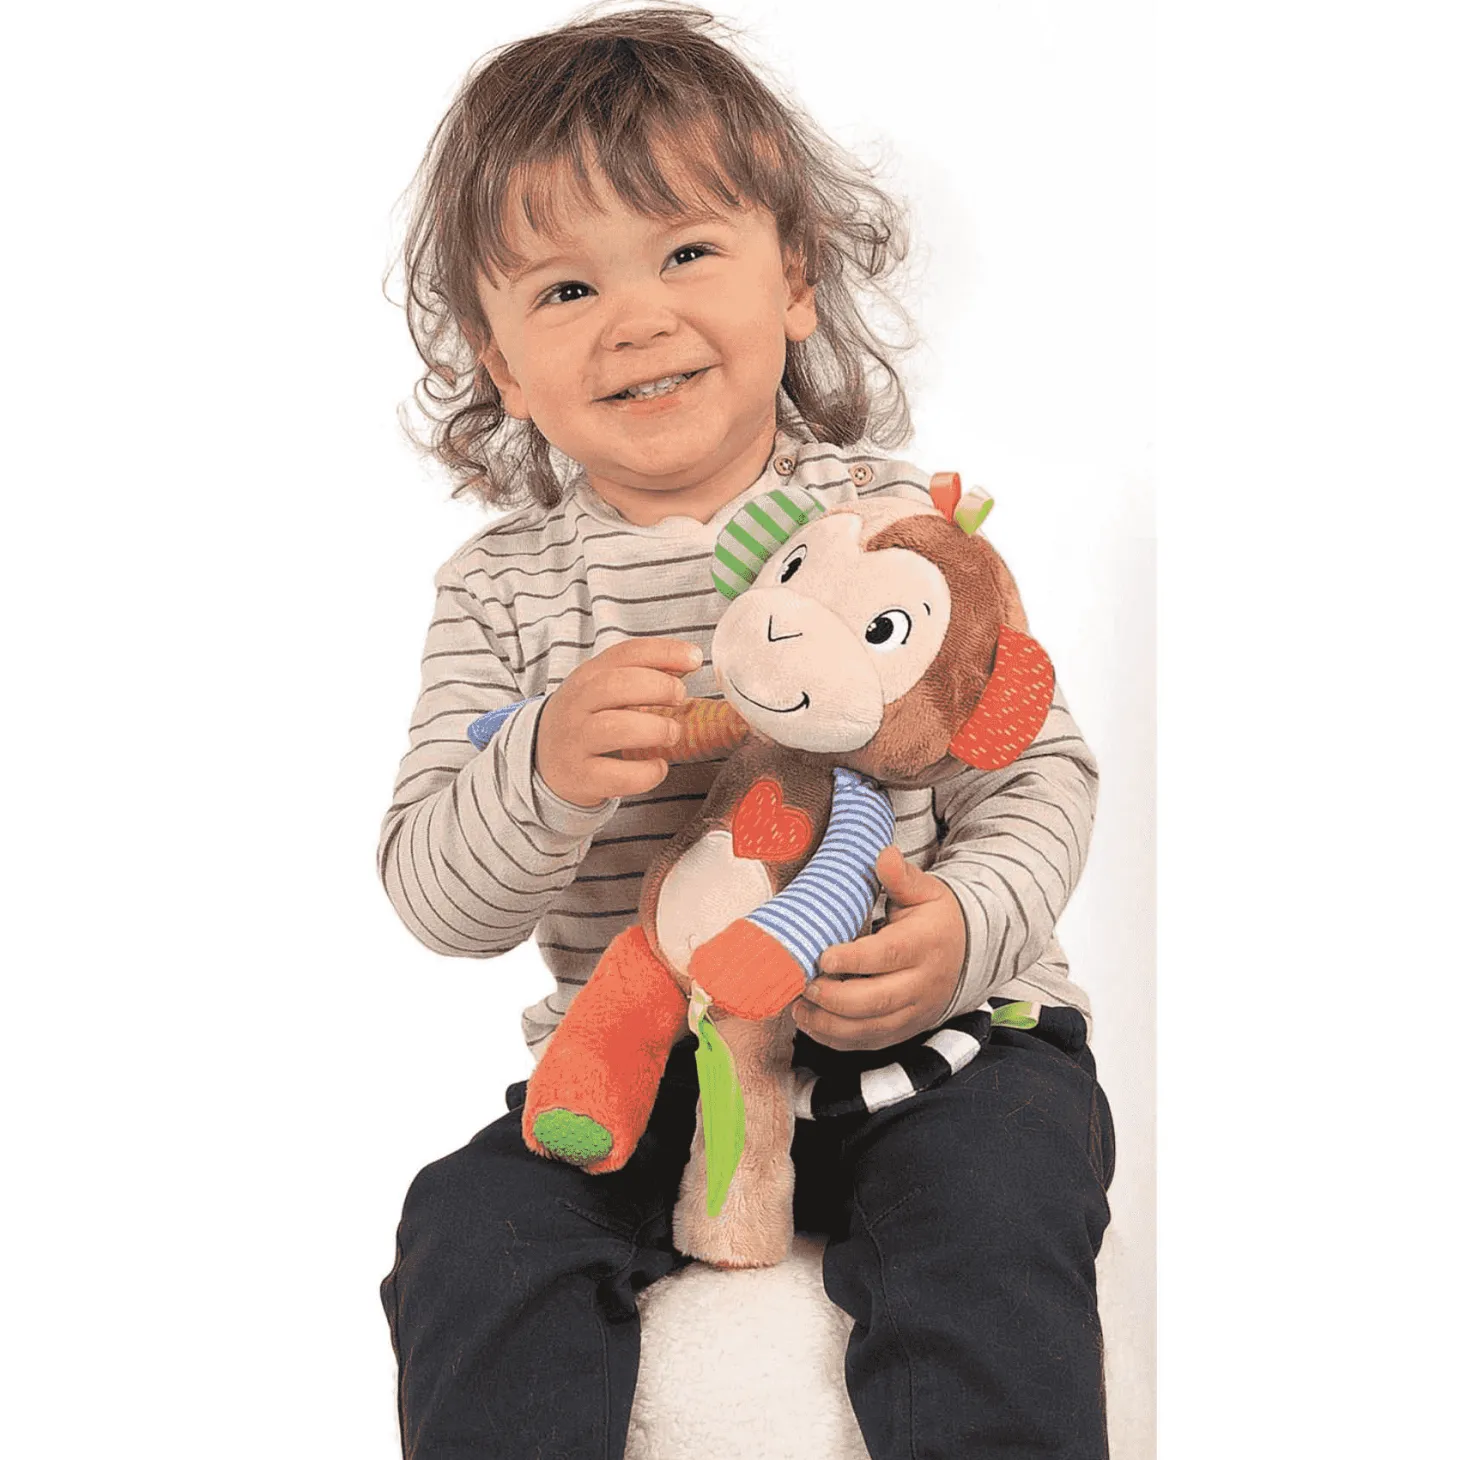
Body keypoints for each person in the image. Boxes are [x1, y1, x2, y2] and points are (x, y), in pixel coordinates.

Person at [376, 6, 1115, 1457]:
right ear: (501, 363)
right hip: (655, 1067)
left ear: (796, 279)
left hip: (949, 1047)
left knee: (997, 1204)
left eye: (687, 253)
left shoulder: (896, 528)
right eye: (567, 286)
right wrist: (540, 769)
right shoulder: (501, 596)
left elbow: (1039, 770)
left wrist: (964, 931)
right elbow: (434, 897)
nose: (636, 317)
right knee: (468, 1227)